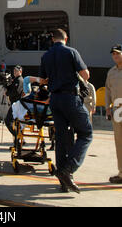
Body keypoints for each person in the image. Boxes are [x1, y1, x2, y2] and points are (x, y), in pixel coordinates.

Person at [39, 29, 93, 194]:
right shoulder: (71, 52)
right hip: (70, 98)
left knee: (62, 139)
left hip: (55, 100)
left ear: (52, 39)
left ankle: (63, 183)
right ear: (66, 38)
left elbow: (43, 80)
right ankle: (68, 169)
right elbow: (86, 75)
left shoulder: (46, 56)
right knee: (86, 134)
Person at [105, 45, 122, 184]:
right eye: (113, 54)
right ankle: (121, 173)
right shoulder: (111, 72)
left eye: (118, 54)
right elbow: (107, 91)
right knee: (119, 142)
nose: (115, 56)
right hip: (117, 108)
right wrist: (107, 108)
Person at [4, 66, 24, 136]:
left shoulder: (19, 80)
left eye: (16, 71)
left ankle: (17, 136)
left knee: (8, 121)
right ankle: (18, 137)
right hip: (15, 104)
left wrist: (7, 93)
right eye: (14, 71)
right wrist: (7, 84)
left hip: (17, 104)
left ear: (20, 71)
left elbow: (15, 92)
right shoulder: (15, 79)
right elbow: (11, 89)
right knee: (13, 122)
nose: (14, 72)